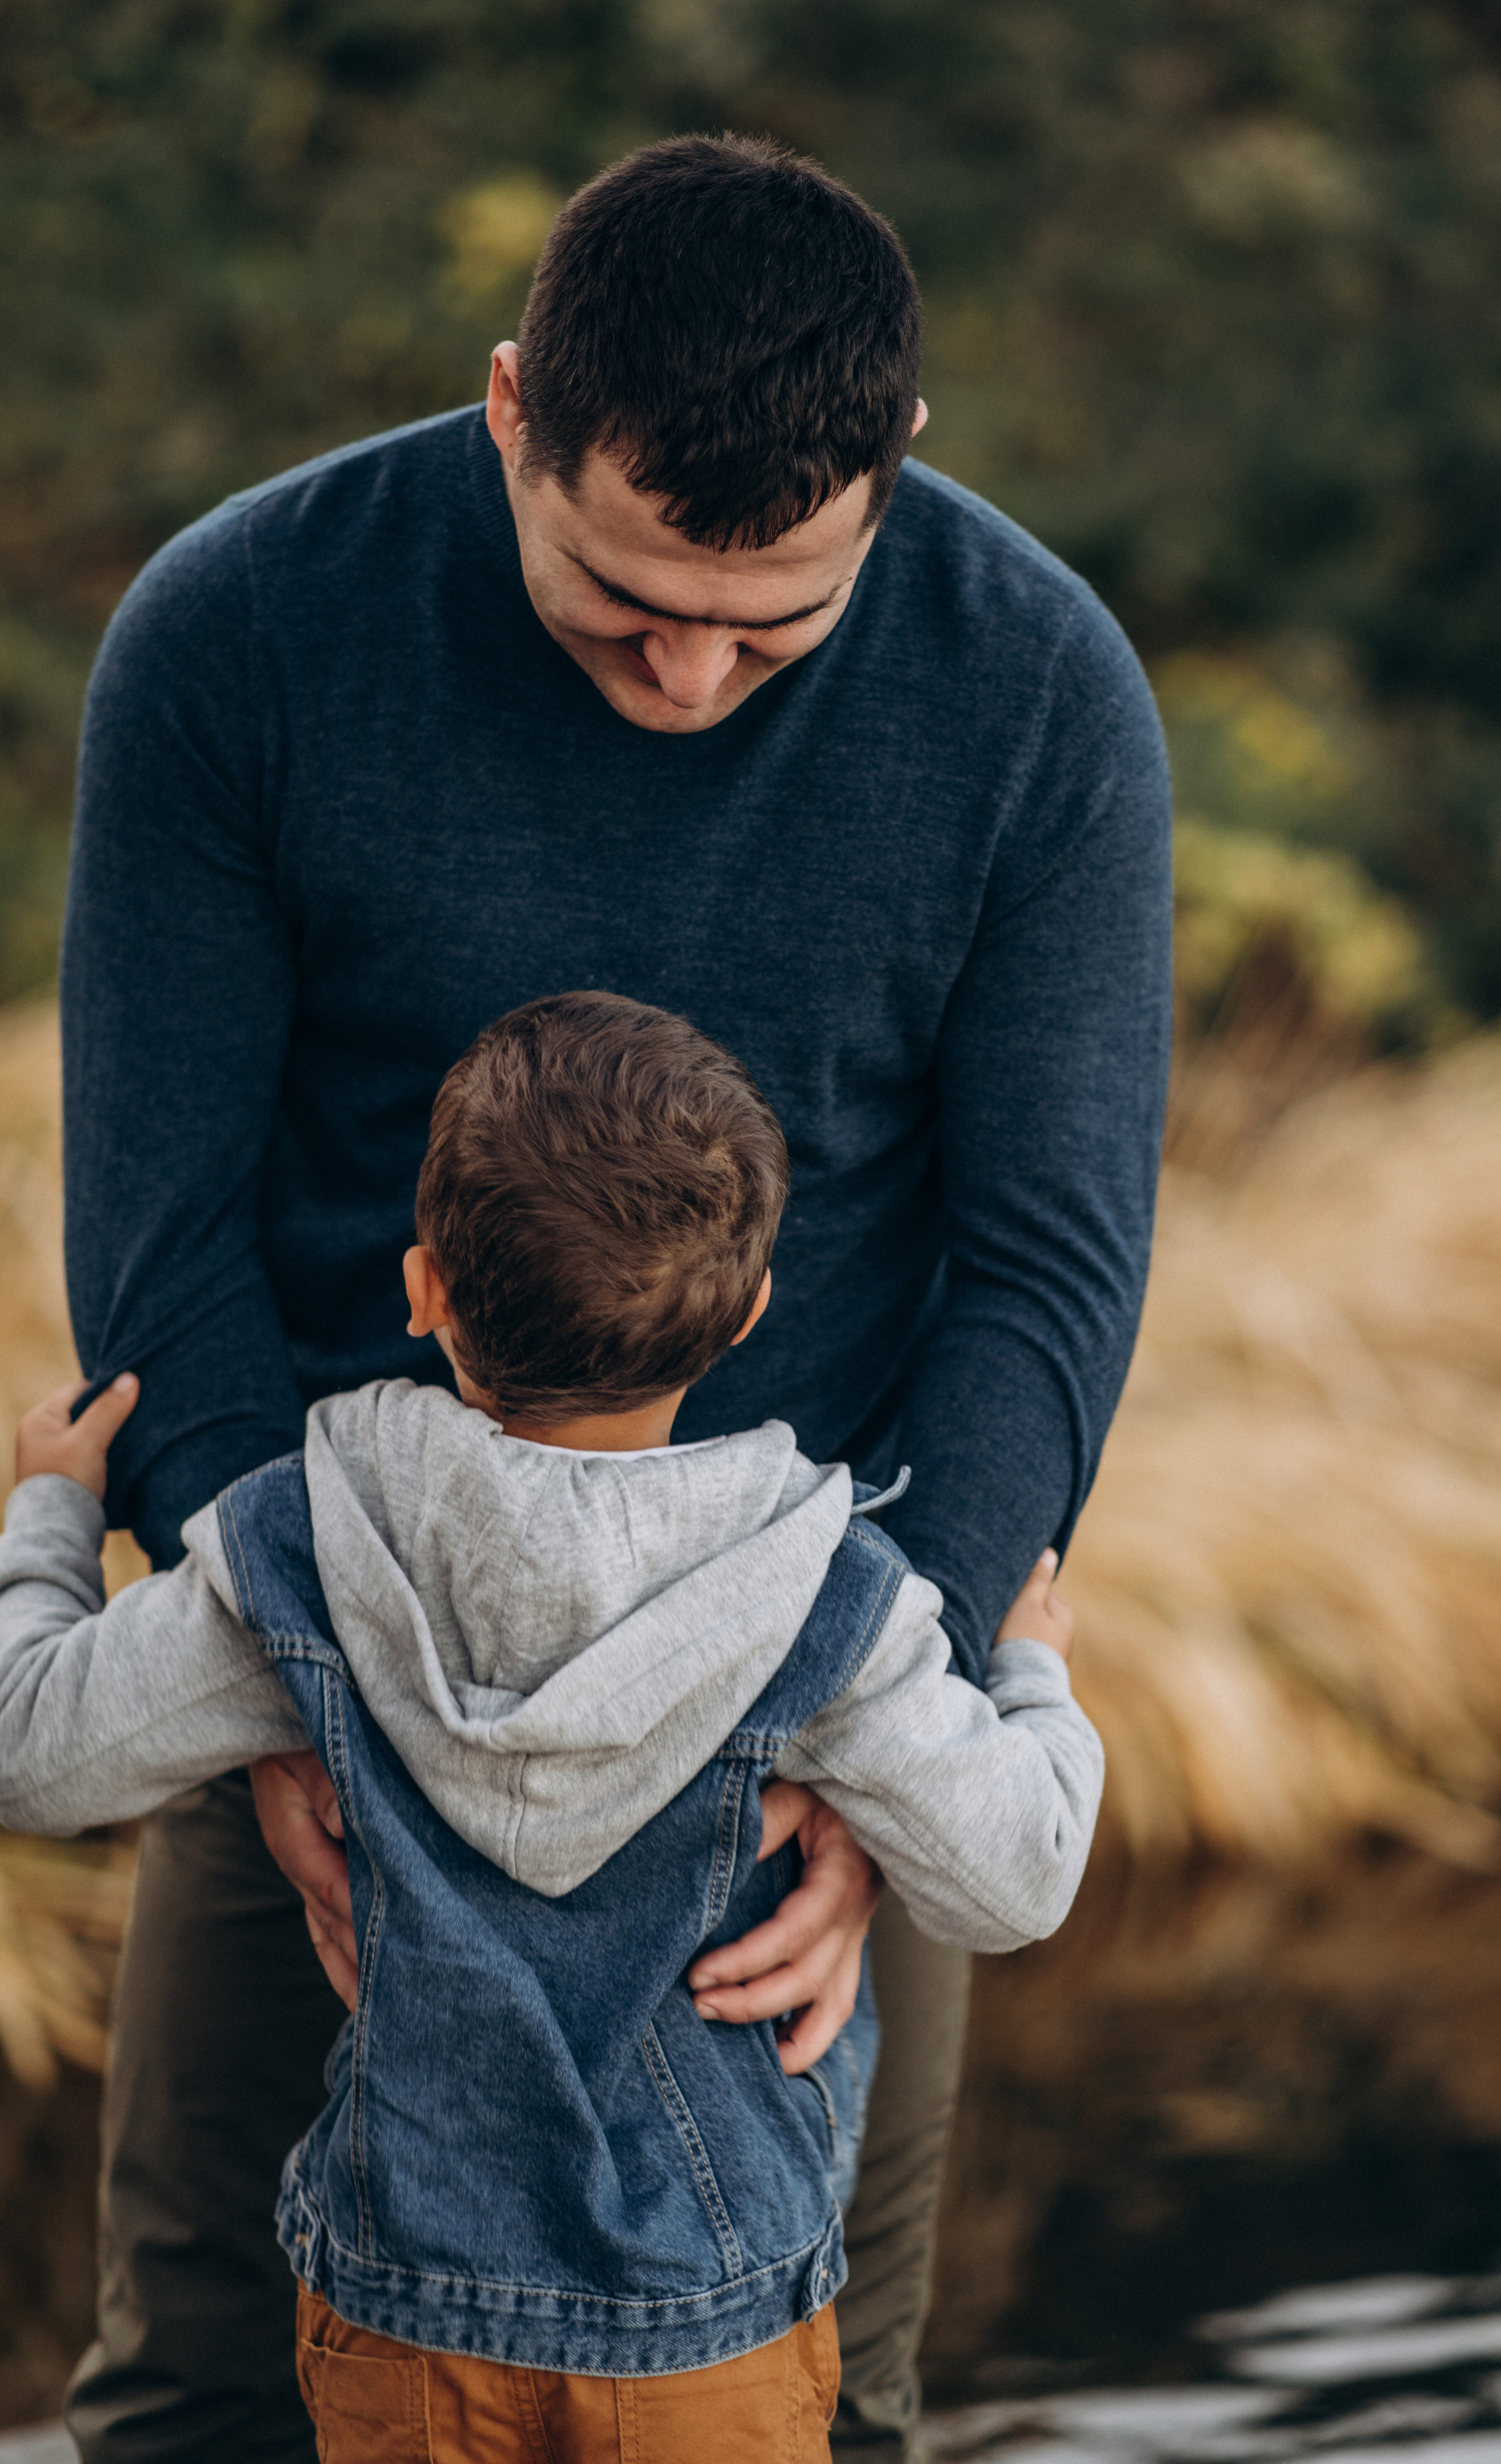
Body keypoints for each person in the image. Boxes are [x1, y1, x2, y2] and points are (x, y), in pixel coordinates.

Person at [60, 132, 1171, 2461]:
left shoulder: (1041, 693)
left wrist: (915, 1729)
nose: (687, 673)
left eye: (772, 625)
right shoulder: (240, 630)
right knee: (197, 2396)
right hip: (309, 1634)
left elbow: (1047, 1259)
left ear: (899, 470)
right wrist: (289, 1694)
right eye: (620, 600)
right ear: (507, 412)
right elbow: (160, 1220)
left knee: (808, 2404)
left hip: (820, 1719)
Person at [2, 991, 1103, 2464]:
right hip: (713, 2334)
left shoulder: (300, 1548)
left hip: (408, 2316)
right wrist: (1026, 1673)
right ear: (752, 1312)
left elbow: (31, 1746)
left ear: (422, 1288)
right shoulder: (828, 1598)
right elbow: (1015, 1876)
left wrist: (52, 1513)